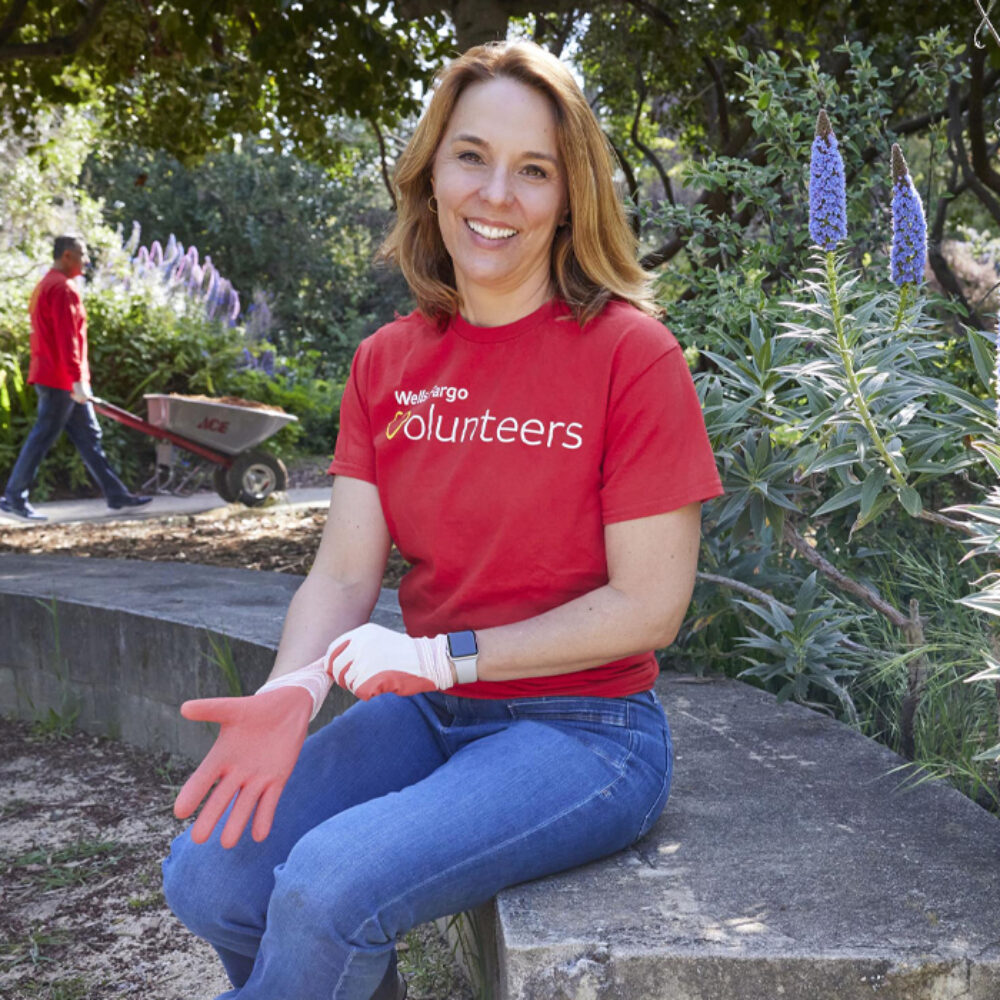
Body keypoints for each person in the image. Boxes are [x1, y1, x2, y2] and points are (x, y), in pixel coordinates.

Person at [162, 40, 723, 1000]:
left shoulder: (633, 355)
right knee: (211, 876)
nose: (496, 194)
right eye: (472, 156)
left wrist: (441, 653)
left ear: (571, 195)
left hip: (587, 733)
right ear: (431, 173)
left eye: (533, 169)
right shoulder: (387, 361)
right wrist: (291, 694)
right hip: (430, 715)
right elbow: (343, 576)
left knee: (328, 886)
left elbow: (649, 606)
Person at [0, 235, 151, 521]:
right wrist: (76, 381)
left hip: (57, 376)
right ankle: (14, 497)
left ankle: (116, 495)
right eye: (82, 255)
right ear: (67, 256)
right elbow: (66, 339)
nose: (87, 261)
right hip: (61, 380)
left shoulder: (47, 284)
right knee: (43, 435)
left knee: (89, 437)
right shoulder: (62, 288)